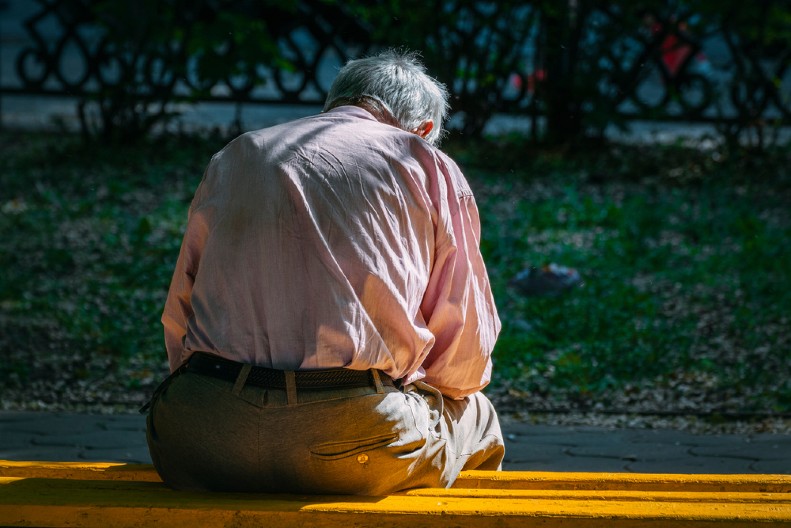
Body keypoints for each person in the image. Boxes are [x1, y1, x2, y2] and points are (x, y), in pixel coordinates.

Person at [143, 48, 504, 496]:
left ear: (333, 105)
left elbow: (181, 311)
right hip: (354, 444)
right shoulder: (425, 163)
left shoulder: (242, 153)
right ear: (425, 129)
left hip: (196, 436)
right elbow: (461, 360)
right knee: (477, 415)